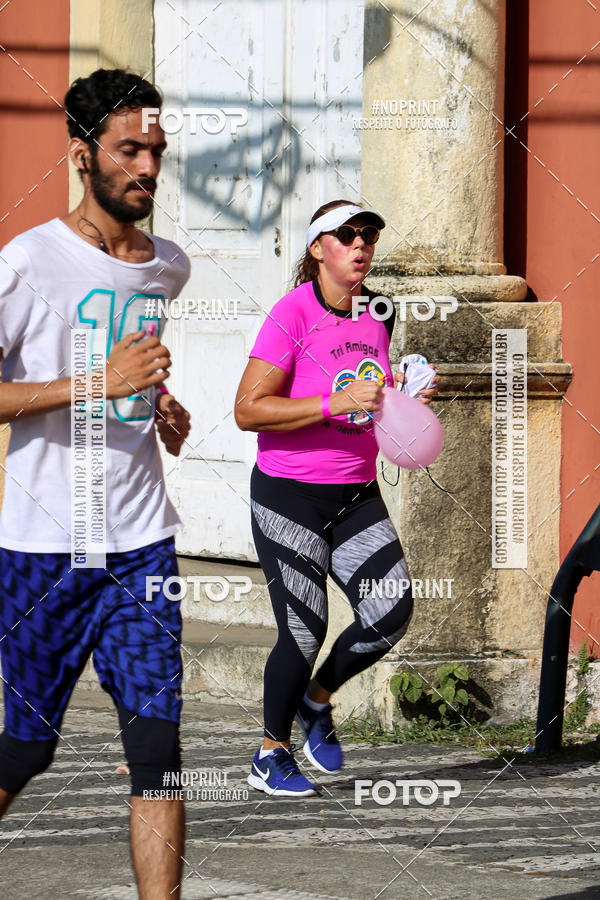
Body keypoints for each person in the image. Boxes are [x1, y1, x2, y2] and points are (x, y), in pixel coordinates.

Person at [0, 69, 191, 898]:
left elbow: (131, 376)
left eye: (155, 149)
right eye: (128, 150)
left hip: (142, 542)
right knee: (24, 748)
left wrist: (159, 407)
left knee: (156, 750)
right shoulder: (28, 261)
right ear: (83, 156)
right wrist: (96, 384)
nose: (146, 167)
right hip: (44, 546)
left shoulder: (168, 267)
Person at [234, 199, 439, 797]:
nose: (361, 244)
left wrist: (407, 392)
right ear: (317, 247)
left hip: (355, 492)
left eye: (369, 234)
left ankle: (316, 701)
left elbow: (374, 388)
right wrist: (332, 404)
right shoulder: (291, 315)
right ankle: (270, 754)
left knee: (390, 611)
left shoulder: (380, 310)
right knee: (304, 627)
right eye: (347, 235)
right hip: (288, 494)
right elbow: (249, 410)